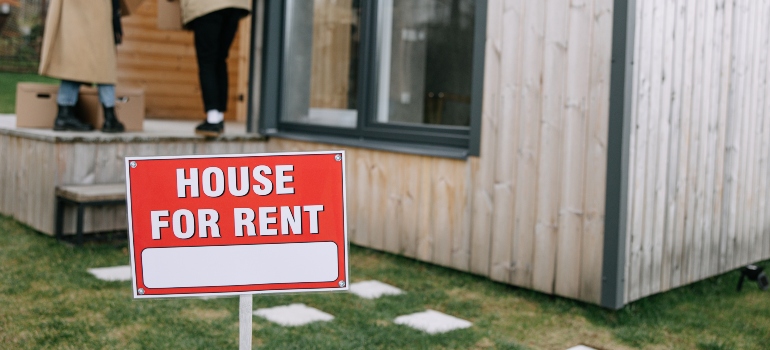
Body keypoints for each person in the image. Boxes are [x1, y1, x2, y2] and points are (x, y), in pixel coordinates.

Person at [38, 0, 126, 133]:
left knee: (75, 61)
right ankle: (109, 117)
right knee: (103, 62)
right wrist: (116, 21)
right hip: (98, 11)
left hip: (72, 13)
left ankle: (64, 114)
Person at [181, 0, 251, 137]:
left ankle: (213, 119)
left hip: (207, 6)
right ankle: (218, 117)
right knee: (220, 59)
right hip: (235, 6)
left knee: (207, 61)